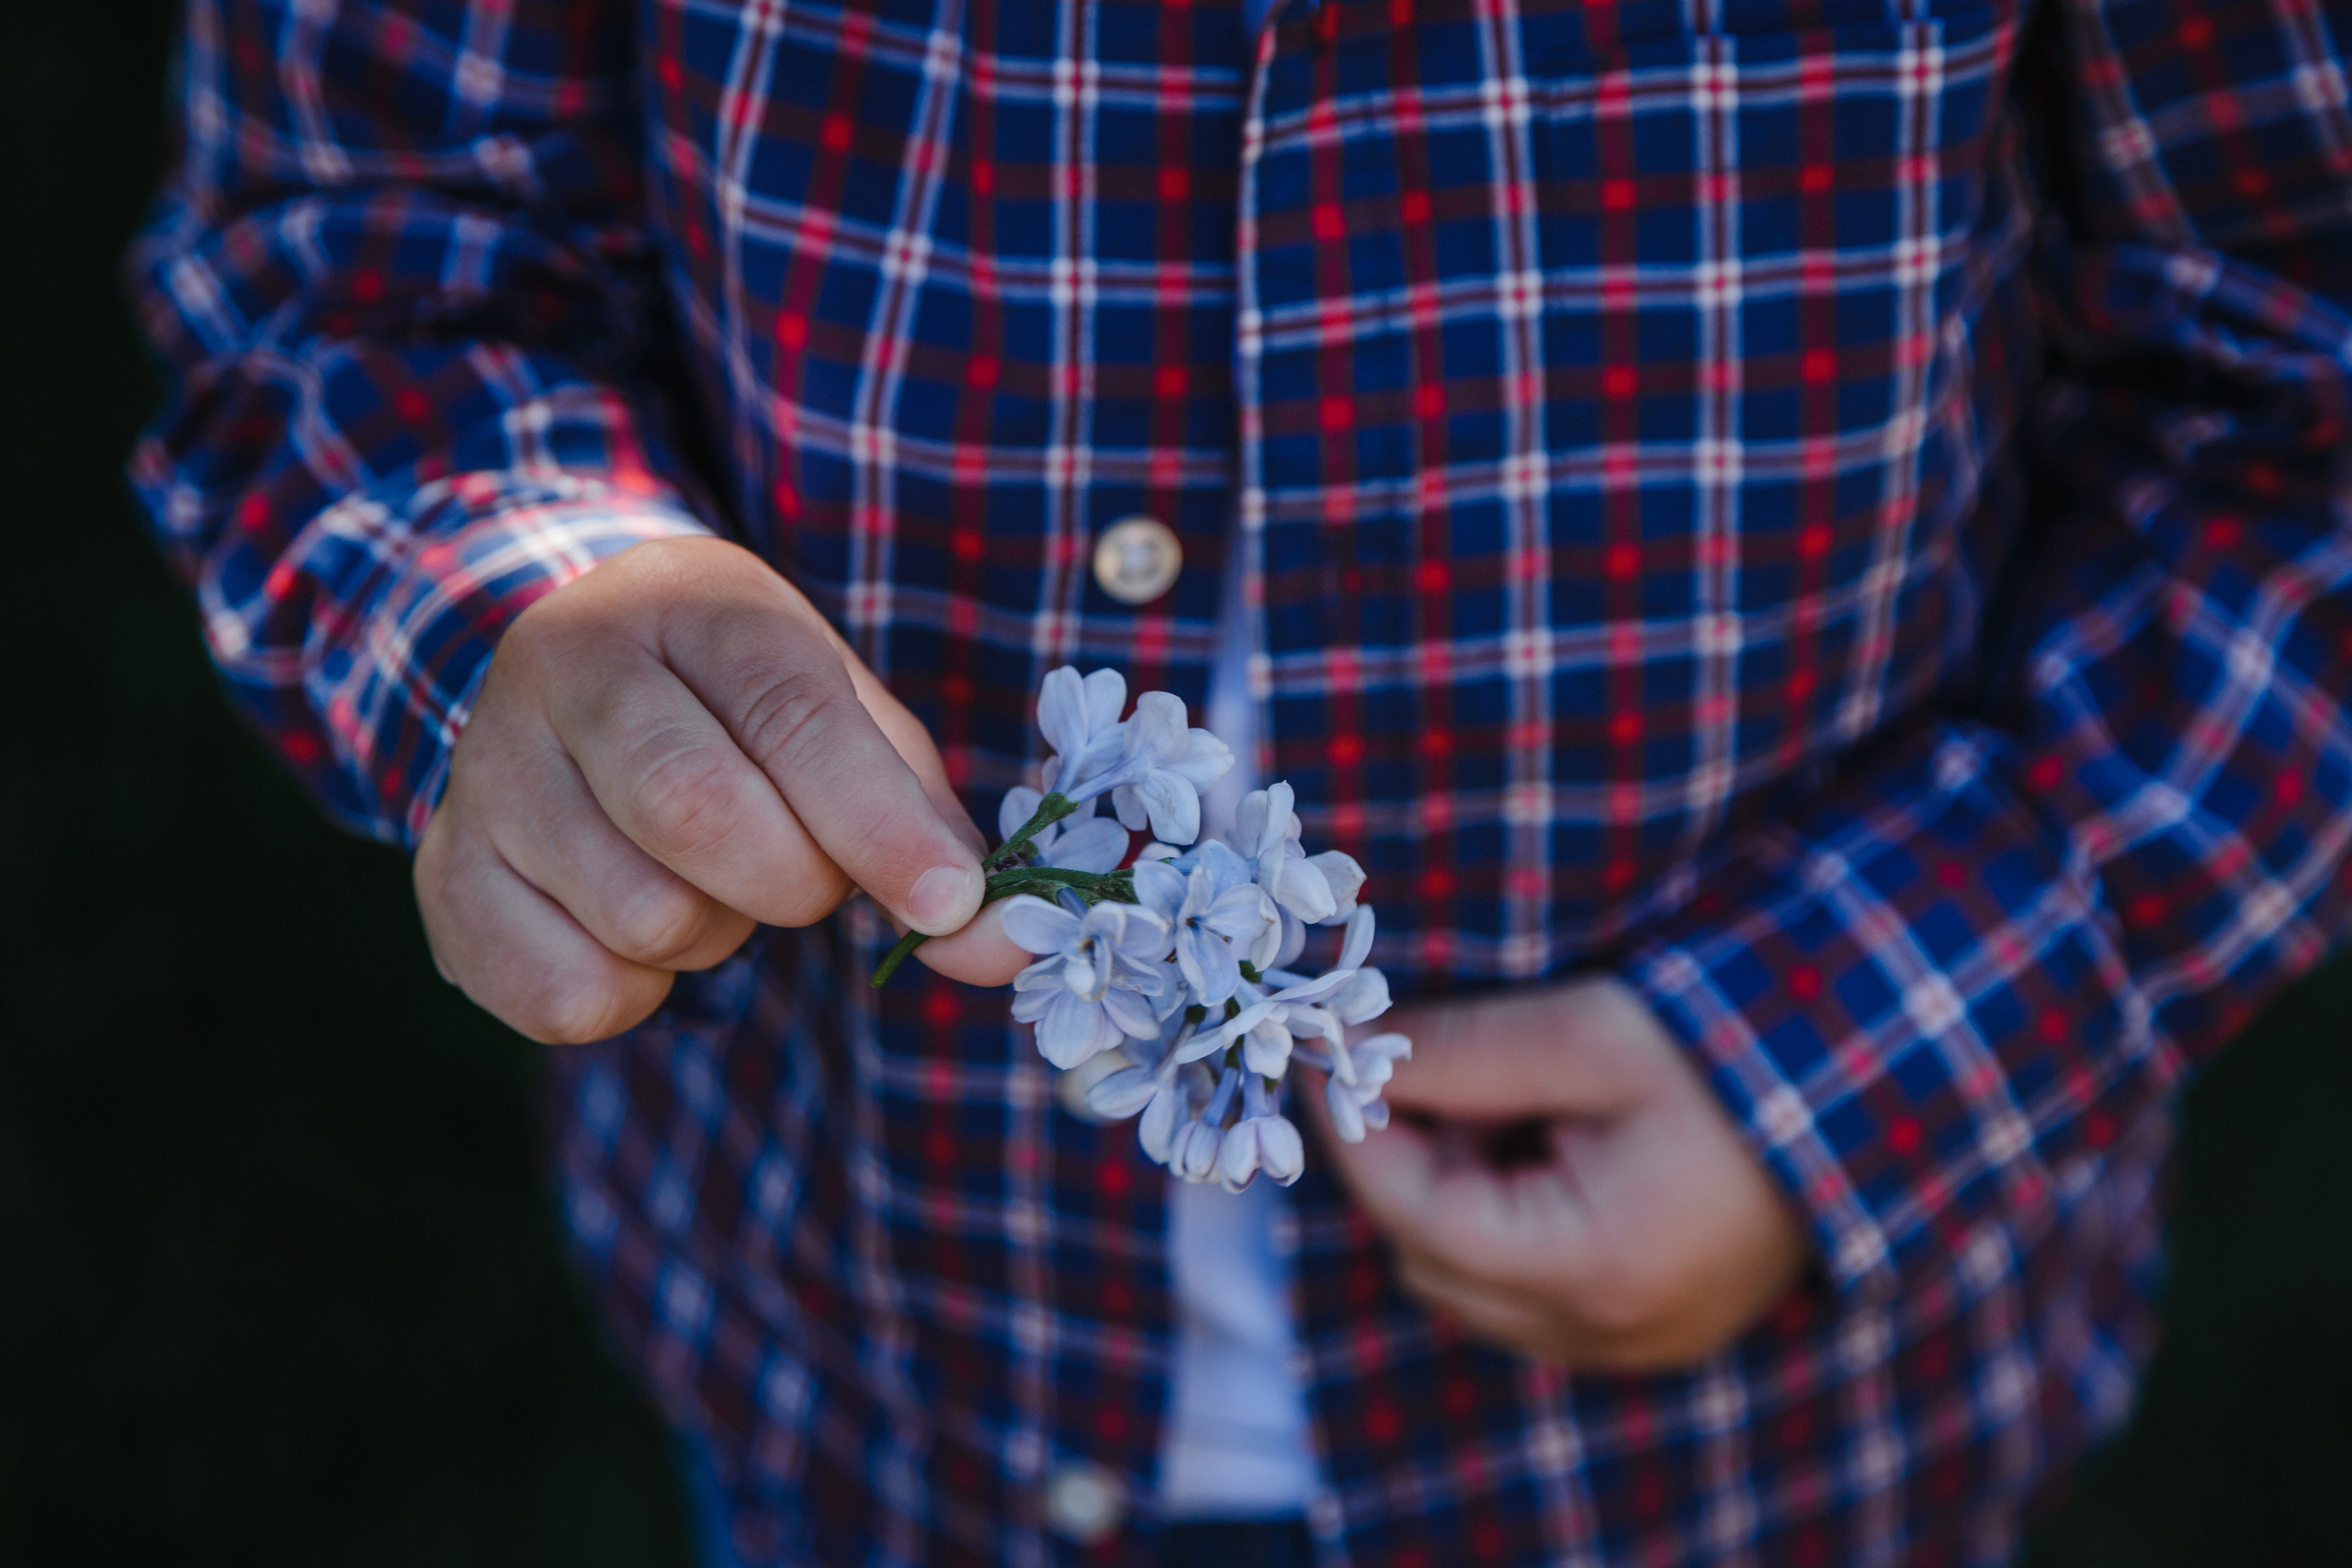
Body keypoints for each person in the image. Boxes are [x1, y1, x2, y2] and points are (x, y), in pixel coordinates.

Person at [129, 0, 2352, 1560]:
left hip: (1768, 1438)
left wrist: (1854, 1043)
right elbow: (359, 251)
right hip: (873, 1363)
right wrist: (522, 626)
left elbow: (2298, 401)